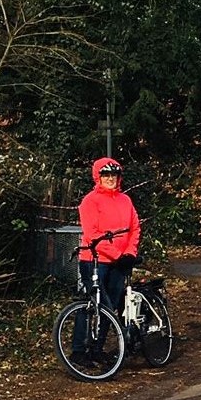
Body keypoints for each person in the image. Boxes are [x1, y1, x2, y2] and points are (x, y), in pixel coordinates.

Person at [74, 157, 141, 368]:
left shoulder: (125, 200)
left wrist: (129, 253)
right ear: (98, 177)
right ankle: (78, 350)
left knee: (110, 307)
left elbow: (134, 228)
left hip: (119, 263)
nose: (110, 179)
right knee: (92, 305)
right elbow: (93, 235)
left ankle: (97, 349)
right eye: (106, 175)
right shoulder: (90, 202)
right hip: (95, 261)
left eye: (114, 175)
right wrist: (116, 254)